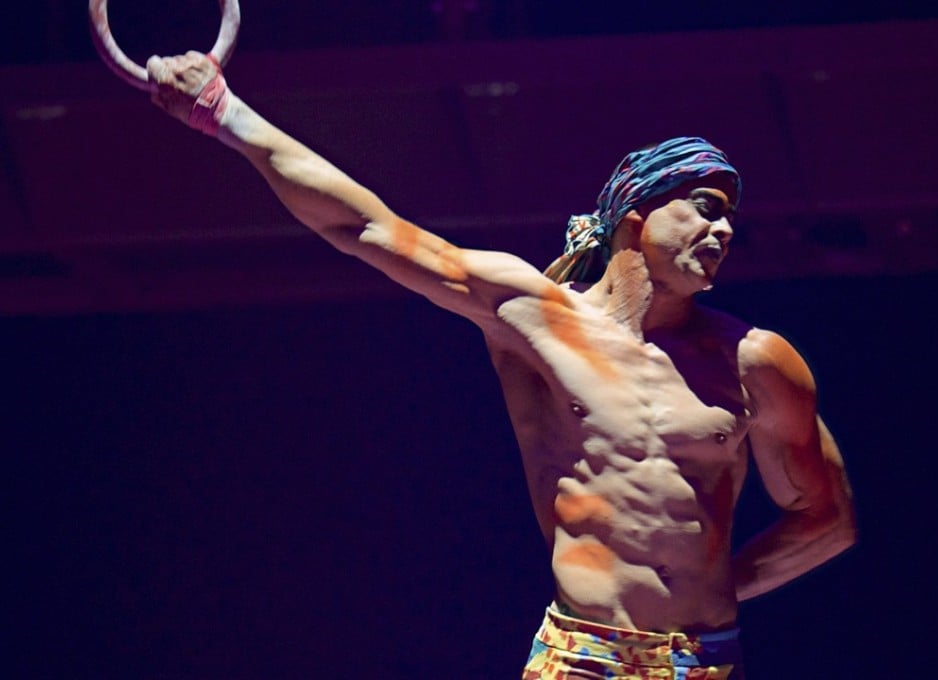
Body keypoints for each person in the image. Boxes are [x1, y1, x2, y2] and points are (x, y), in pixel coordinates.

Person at [146, 51, 856, 679]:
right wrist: (222, 112)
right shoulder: (536, 317)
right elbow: (362, 226)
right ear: (636, 216)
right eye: (704, 207)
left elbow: (826, 520)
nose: (724, 228)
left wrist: (714, 589)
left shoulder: (754, 359)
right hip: (581, 657)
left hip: (701, 659)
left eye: (731, 216)